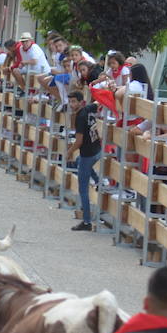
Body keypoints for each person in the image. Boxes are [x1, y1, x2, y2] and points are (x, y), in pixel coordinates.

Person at [68, 89, 103, 232]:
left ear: (80, 102)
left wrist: (69, 151)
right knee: (78, 162)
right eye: (70, 101)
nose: (71, 104)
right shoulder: (88, 108)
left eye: (73, 101)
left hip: (87, 153)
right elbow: (98, 102)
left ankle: (87, 221)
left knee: (83, 189)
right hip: (97, 150)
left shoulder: (80, 117)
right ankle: (99, 180)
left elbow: (79, 141)